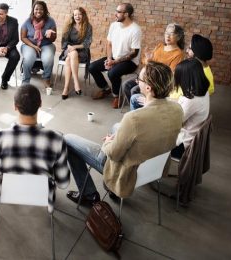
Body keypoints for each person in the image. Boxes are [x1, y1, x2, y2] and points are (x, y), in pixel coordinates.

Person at [64, 61, 183, 205]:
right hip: (153, 168)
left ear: (148, 88)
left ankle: (88, 194)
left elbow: (113, 154)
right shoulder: (177, 109)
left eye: (139, 78)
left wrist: (108, 141)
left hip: (126, 172)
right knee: (117, 126)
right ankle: (109, 189)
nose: (136, 81)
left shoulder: (134, 118)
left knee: (67, 140)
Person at [0, 84, 70, 213]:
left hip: (6, 194)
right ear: (40, 104)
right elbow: (63, 183)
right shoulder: (57, 139)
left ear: (15, 106)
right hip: (43, 197)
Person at [89, 3, 142, 108]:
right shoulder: (114, 25)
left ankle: (116, 96)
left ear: (126, 14)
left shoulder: (135, 30)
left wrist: (115, 62)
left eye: (118, 12)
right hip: (114, 57)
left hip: (130, 62)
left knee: (112, 73)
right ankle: (105, 89)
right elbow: (109, 43)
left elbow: (134, 53)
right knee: (92, 67)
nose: (115, 14)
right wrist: (109, 59)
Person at [128, 23, 185, 109]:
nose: (167, 36)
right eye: (166, 33)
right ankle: (140, 108)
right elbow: (147, 63)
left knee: (134, 90)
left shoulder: (178, 54)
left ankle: (145, 109)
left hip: (158, 82)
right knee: (127, 85)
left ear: (179, 37)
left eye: (171, 33)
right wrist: (148, 60)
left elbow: (169, 74)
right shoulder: (160, 46)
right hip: (147, 76)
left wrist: (150, 64)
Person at [171, 58, 210, 159]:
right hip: (191, 137)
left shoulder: (192, 100)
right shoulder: (202, 90)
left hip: (183, 146)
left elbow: (174, 123)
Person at [20, 0, 57, 87]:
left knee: (48, 58)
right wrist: (33, 46)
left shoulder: (50, 21)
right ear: (33, 10)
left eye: (41, 9)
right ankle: (26, 81)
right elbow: (23, 37)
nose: (38, 11)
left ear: (45, 11)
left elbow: (53, 39)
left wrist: (50, 34)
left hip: (46, 44)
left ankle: (46, 79)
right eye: (36, 9)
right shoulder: (28, 21)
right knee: (28, 58)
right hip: (29, 44)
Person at [60, 7, 93, 100]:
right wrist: (71, 48)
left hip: (82, 51)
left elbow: (87, 43)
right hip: (69, 49)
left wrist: (75, 47)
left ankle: (66, 88)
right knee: (73, 54)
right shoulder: (69, 26)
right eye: (75, 15)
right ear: (73, 16)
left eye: (79, 14)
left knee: (69, 58)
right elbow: (64, 42)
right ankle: (76, 83)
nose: (77, 16)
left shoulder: (88, 26)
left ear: (83, 15)